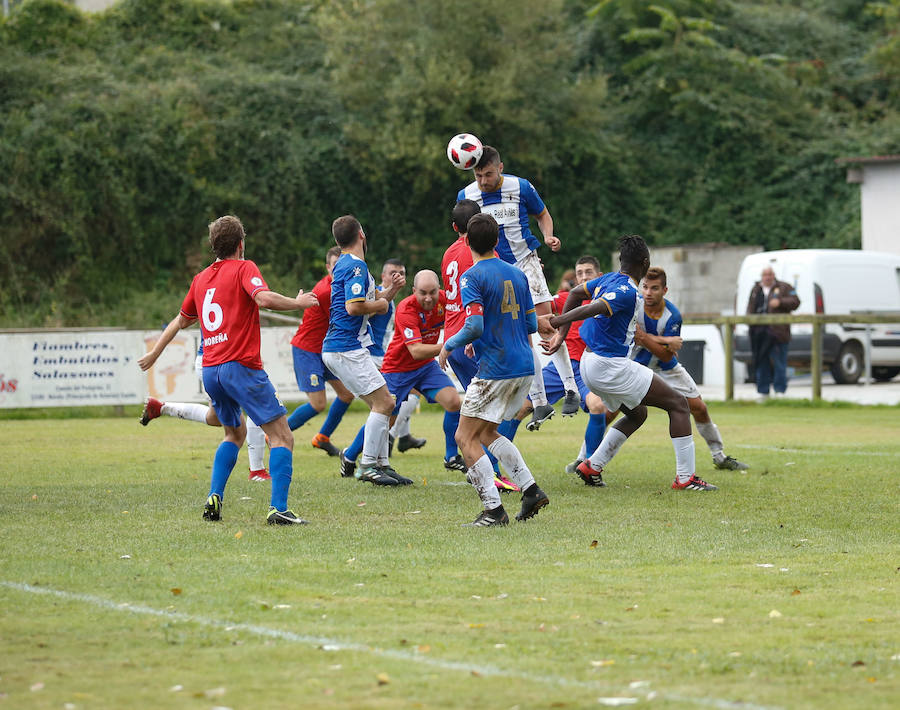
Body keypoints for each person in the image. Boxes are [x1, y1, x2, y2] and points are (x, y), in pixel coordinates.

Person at [139, 215, 319, 524]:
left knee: (233, 433)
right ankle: (279, 509)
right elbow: (262, 299)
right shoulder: (244, 268)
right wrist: (298, 301)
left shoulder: (200, 279)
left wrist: (156, 351)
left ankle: (214, 497)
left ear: (214, 247)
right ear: (240, 244)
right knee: (281, 436)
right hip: (240, 367)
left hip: (211, 370)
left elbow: (180, 321)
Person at [544, 234, 718, 492]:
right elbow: (591, 308)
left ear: (622, 261)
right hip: (609, 365)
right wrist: (558, 324)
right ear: (644, 263)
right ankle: (686, 478)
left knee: (638, 414)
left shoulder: (608, 279)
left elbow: (575, 294)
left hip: (590, 363)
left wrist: (561, 333)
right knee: (679, 405)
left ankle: (592, 466)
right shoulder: (626, 291)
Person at [438, 213, 550, 526]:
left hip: (496, 368)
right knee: (487, 432)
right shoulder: (517, 274)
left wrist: (449, 345)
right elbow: (529, 323)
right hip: (524, 365)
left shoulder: (471, 276)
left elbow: (473, 324)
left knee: (464, 437)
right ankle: (530, 489)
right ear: (498, 240)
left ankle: (493, 510)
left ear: (466, 241)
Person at [458, 145, 580, 429]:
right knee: (524, 330)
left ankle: (570, 388)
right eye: (478, 176)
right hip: (495, 271)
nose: (484, 181)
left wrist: (548, 236)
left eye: (488, 174)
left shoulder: (521, 187)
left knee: (546, 322)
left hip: (526, 262)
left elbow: (543, 215)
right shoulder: (467, 195)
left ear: (500, 168)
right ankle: (539, 401)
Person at [630, 267, 748, 471]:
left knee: (700, 408)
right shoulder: (634, 307)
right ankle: (585, 459)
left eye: (654, 288)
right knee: (607, 412)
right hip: (635, 367)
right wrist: (664, 340)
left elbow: (666, 355)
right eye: (645, 287)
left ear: (665, 290)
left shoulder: (673, 315)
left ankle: (719, 456)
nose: (648, 293)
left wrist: (645, 339)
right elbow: (633, 336)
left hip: (667, 369)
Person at [440, 199, 519, 492]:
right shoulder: (479, 252)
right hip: (473, 338)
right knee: (511, 410)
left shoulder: (448, 252)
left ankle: (486, 469)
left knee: (480, 415)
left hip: (453, 337)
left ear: (454, 227)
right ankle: (493, 472)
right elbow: (491, 288)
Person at [322, 215, 406, 486]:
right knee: (385, 403)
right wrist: (380, 307)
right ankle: (368, 464)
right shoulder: (356, 266)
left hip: (344, 346)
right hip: (346, 347)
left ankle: (382, 463)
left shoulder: (347, 264)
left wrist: (390, 292)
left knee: (382, 403)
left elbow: (369, 300)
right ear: (361, 234)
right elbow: (355, 306)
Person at [505, 256, 610, 471]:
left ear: (599, 277)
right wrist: (532, 277)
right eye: (578, 273)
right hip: (557, 369)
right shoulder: (564, 299)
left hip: (586, 368)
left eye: (587, 272)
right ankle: (494, 465)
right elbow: (538, 305)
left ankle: (589, 465)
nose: (582, 277)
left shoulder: (607, 302)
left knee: (598, 406)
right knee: (519, 409)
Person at [140, 340, 271, 481]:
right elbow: (180, 321)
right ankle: (257, 470)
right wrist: (155, 353)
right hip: (226, 356)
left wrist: (155, 353)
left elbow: (181, 320)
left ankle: (161, 408)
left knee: (215, 418)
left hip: (210, 358)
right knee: (252, 408)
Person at [381, 270, 463, 473]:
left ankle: (451, 456)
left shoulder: (444, 301)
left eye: (433, 292)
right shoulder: (405, 309)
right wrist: (450, 345)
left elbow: (462, 318)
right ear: (414, 291)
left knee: (453, 402)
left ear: (439, 289)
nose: (428, 298)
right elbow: (416, 351)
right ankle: (352, 455)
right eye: (423, 293)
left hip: (425, 367)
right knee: (385, 418)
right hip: (397, 369)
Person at [286, 246, 355, 456]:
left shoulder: (340, 287)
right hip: (307, 350)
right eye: (335, 266)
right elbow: (351, 315)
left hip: (325, 350)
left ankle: (322, 438)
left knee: (346, 394)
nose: (340, 270)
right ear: (328, 268)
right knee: (318, 403)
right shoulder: (327, 292)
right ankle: (276, 434)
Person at [746, 266, 800, 402]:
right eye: (765, 274)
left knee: (779, 362)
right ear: (761, 276)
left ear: (774, 275)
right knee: (761, 362)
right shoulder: (756, 289)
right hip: (759, 333)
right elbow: (750, 308)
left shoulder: (784, 287)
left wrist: (780, 302)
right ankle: (763, 392)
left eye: (770, 274)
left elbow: (795, 301)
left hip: (778, 332)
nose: (767, 277)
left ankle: (780, 391)